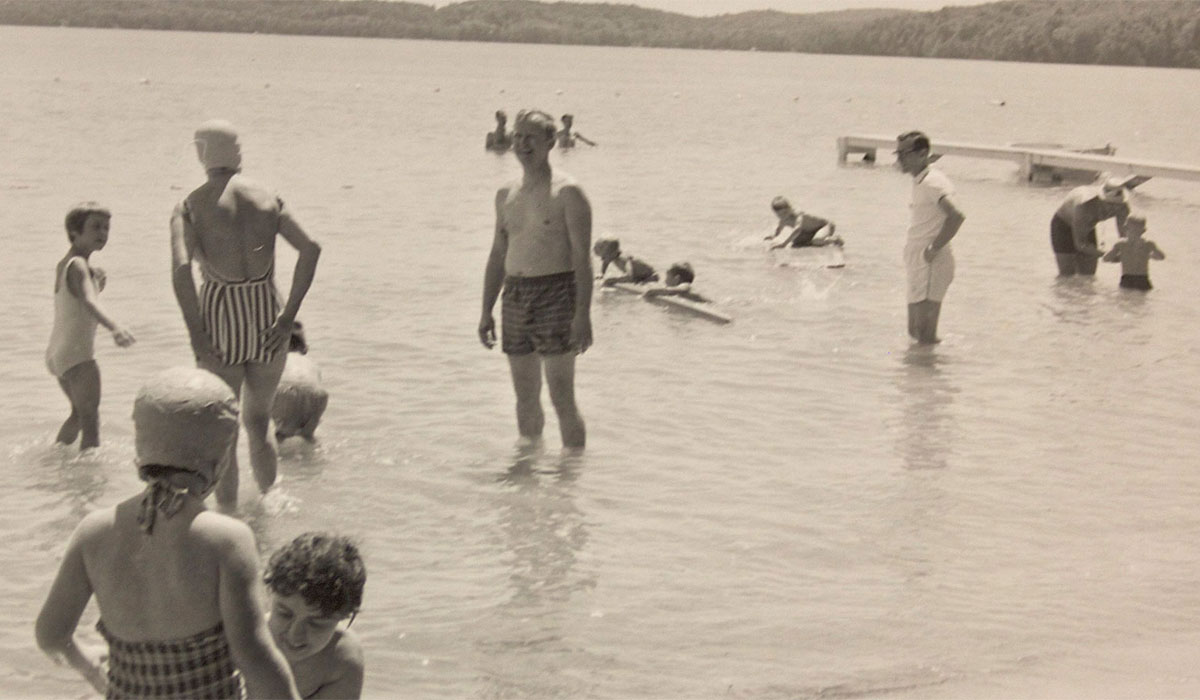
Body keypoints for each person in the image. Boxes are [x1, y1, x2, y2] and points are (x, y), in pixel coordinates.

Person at [35, 367, 299, 700]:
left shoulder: (94, 531)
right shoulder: (228, 539)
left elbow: (51, 635)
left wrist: (87, 664)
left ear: (140, 451)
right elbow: (254, 657)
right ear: (221, 461)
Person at [170, 119, 322, 509]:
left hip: (221, 317)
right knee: (258, 421)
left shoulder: (190, 205)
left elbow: (182, 269)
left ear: (201, 153)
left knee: (225, 429)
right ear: (237, 152)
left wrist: (197, 337)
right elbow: (311, 249)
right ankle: (272, 501)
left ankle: (230, 515)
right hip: (267, 314)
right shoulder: (268, 197)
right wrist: (288, 318)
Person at [478, 109, 593, 450]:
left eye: (530, 137)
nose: (522, 144)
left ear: (550, 142)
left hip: (557, 292)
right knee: (524, 397)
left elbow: (581, 258)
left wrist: (583, 315)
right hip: (515, 295)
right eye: (517, 136)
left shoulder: (568, 193)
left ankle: (571, 478)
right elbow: (498, 254)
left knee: (562, 398)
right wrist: (486, 310)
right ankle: (528, 470)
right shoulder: (505, 194)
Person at [46, 202, 136, 450]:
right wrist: (115, 326)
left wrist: (97, 283)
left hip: (58, 353)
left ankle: (57, 459)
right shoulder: (79, 265)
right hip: (78, 354)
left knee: (78, 414)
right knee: (91, 421)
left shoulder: (67, 263)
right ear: (74, 232)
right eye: (95, 227)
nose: (103, 233)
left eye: (106, 228)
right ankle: (89, 484)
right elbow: (88, 301)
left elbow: (75, 300)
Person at [264, 533, 366, 699]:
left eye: (316, 623)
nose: (295, 635)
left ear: (344, 616)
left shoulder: (341, 659)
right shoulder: (240, 640)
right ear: (270, 596)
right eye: (284, 614)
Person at [895, 131, 966, 345]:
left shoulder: (933, 182)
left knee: (925, 335)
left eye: (904, 153)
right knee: (914, 332)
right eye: (897, 153)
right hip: (918, 261)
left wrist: (934, 248)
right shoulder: (921, 179)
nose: (899, 159)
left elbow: (956, 216)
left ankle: (938, 370)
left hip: (932, 261)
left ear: (922, 153)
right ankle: (923, 377)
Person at [1051, 175, 1131, 276]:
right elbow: (1080, 244)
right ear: (1101, 199)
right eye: (1110, 204)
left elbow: (1125, 236)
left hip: (1087, 227)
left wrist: (1125, 252)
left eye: (1117, 204)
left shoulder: (1123, 206)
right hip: (1063, 225)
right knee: (1067, 275)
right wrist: (1106, 255)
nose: (1114, 208)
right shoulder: (1084, 205)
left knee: (1088, 276)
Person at [272, 322, 328, 442]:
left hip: (285, 389)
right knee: (308, 436)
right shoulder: (311, 363)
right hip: (318, 393)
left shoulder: (278, 359)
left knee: (280, 434)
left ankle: (279, 458)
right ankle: (315, 458)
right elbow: (317, 379)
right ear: (304, 347)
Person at [1102, 214, 1164, 290]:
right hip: (1143, 279)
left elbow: (1105, 258)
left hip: (1127, 279)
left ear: (1125, 228)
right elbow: (1161, 257)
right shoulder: (1148, 244)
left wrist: (1119, 257)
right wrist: (1150, 255)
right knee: (1143, 300)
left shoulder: (1121, 244)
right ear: (1144, 230)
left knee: (1126, 299)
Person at [766, 196, 842, 249]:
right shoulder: (783, 218)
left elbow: (797, 230)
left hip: (825, 226)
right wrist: (774, 236)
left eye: (785, 213)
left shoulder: (798, 214)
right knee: (795, 243)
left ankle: (835, 239)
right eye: (779, 215)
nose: (783, 216)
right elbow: (779, 228)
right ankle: (813, 240)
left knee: (817, 241)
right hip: (810, 231)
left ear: (790, 208)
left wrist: (783, 244)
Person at [593, 237, 659, 285]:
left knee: (639, 283)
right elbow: (606, 262)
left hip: (652, 276)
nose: (602, 259)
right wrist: (602, 273)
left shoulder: (623, 260)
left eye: (603, 257)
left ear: (613, 253)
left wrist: (614, 280)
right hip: (639, 275)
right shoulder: (612, 257)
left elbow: (629, 277)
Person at [642, 262, 710, 303]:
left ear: (676, 279)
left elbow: (677, 290)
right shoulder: (683, 291)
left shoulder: (686, 285)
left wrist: (654, 291)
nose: (665, 281)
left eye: (667, 277)